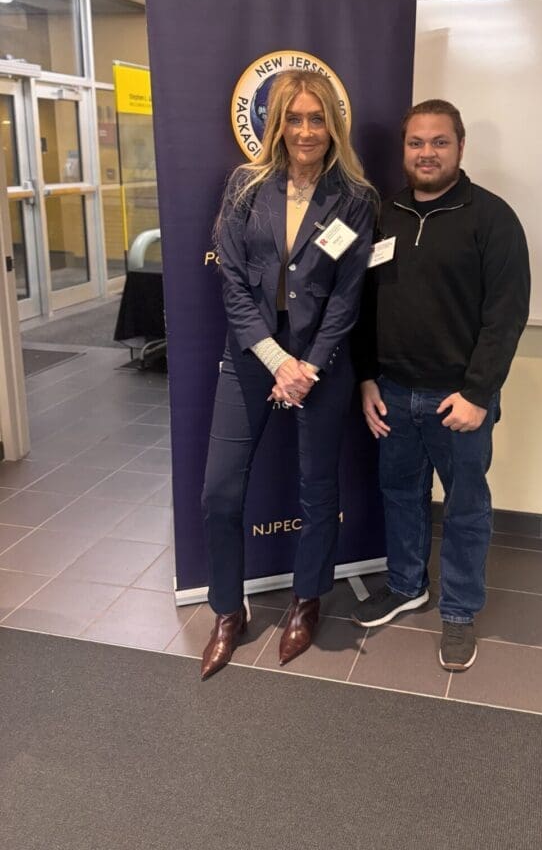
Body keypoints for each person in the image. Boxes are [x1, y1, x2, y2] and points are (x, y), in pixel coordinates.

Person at [200, 69, 375, 679]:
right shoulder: (246, 188)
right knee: (219, 492)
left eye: (317, 118)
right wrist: (278, 361)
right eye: (295, 119)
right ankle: (228, 610)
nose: (306, 131)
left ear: (333, 125)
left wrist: (309, 365)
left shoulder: (354, 199)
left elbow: (347, 297)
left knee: (318, 489)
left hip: (321, 361)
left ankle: (307, 599)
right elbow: (233, 282)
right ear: (276, 124)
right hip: (252, 356)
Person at [351, 98, 530, 671]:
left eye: (439, 142)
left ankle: (458, 612)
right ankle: (407, 586)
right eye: (415, 143)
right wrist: (366, 379)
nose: (426, 153)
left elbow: (506, 315)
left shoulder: (493, 218)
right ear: (403, 148)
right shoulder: (382, 214)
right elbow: (362, 303)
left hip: (460, 399)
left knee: (465, 508)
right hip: (394, 394)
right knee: (400, 496)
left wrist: (478, 392)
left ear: (459, 147)